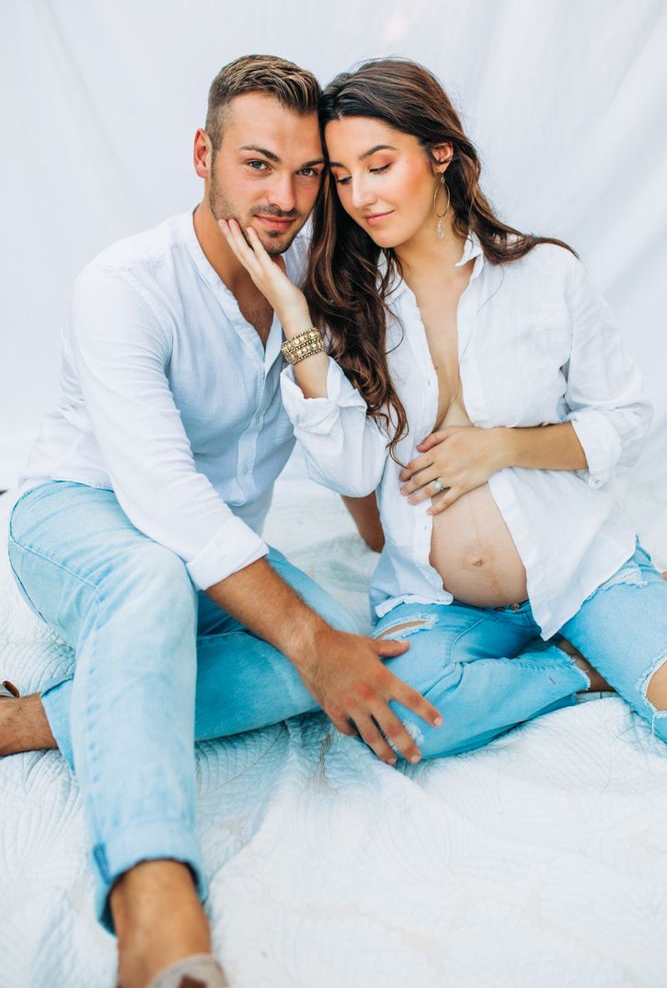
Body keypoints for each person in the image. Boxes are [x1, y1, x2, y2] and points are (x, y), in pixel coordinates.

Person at [1, 55, 443, 988]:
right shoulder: (124, 284)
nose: (285, 197)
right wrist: (302, 633)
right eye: (256, 164)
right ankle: (155, 901)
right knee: (173, 582)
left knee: (357, 643)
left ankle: (37, 720)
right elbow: (163, 500)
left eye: (309, 172)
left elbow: (356, 470)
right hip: (79, 518)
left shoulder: (316, 287)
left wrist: (306, 325)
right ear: (203, 154)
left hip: (217, 551)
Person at [217, 57, 667, 771]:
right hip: (437, 603)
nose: (361, 194)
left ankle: (663, 606)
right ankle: (582, 666)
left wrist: (501, 447)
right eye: (341, 176)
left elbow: (625, 420)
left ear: (440, 154)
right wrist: (296, 316)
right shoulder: (347, 308)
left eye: (380, 164)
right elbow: (352, 467)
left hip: (576, 571)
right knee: (396, 727)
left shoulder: (545, 275)